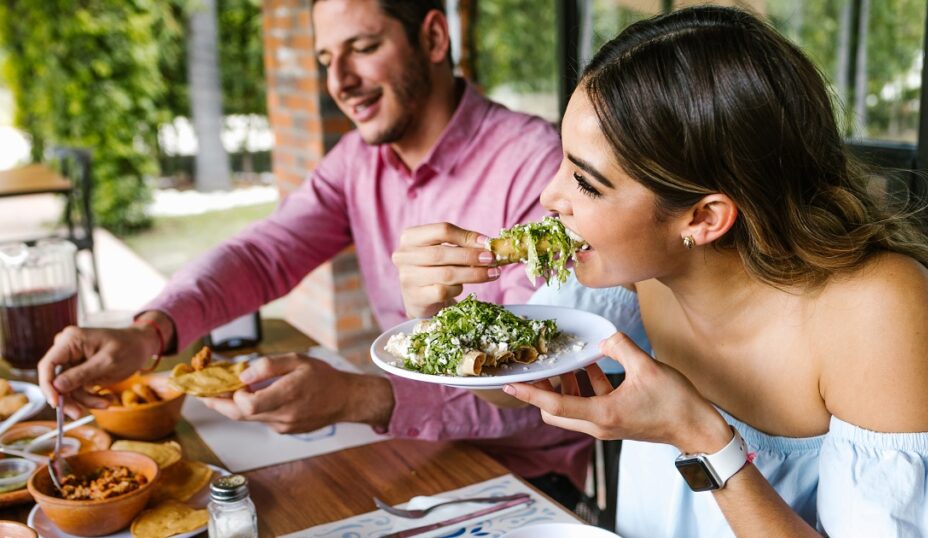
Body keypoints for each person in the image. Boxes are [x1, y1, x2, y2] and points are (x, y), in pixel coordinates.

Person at [396, 6, 928, 536]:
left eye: (585, 181)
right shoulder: (635, 271)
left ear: (705, 217)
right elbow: (520, 395)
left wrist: (702, 438)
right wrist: (443, 324)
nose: (550, 197)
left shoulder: (880, 313)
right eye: (563, 161)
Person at [37, 0, 592, 507]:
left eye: (364, 48)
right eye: (326, 58)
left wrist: (361, 399)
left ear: (434, 38)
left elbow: (543, 392)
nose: (340, 82)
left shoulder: (535, 167)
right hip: (406, 451)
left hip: (525, 481)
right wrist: (150, 331)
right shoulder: (356, 161)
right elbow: (265, 253)